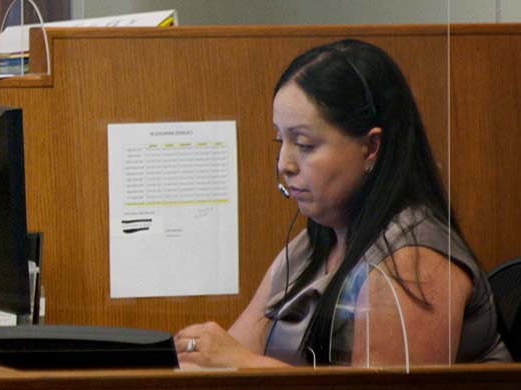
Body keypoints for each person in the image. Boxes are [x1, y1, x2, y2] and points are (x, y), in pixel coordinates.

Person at [177, 40, 509, 368]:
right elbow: (226, 359)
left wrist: (246, 364)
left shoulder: (414, 261)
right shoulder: (313, 244)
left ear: (370, 148)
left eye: (304, 144)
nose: (284, 164)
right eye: (281, 140)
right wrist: (194, 353)